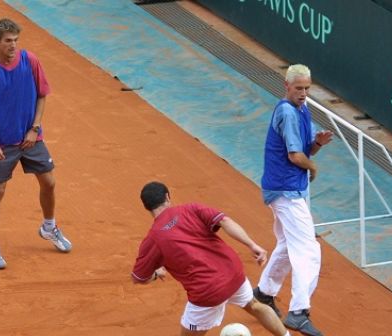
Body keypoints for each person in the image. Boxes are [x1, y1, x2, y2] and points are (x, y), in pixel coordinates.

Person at [0, 18, 71, 270]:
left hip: (30, 138)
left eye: (16, 40)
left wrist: (35, 128)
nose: (13, 45)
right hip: (2, 143)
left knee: (49, 182)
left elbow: (42, 95)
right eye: (8, 41)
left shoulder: (30, 61)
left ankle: (49, 227)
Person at [132, 181, 290, 336]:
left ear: (146, 207)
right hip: (232, 273)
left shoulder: (152, 239)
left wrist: (155, 274)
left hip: (206, 292)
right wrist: (251, 244)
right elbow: (224, 221)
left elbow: (138, 278)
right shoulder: (191, 208)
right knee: (255, 305)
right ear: (167, 197)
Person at [253, 64, 332, 336]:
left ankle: (264, 293)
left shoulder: (303, 109)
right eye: (299, 88)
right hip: (286, 191)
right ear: (286, 86)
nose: (303, 93)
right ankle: (299, 312)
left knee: (288, 244)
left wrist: (318, 144)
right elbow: (295, 157)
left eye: (307, 88)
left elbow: (304, 150)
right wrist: (312, 167)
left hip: (289, 189)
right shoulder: (287, 111)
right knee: (309, 250)